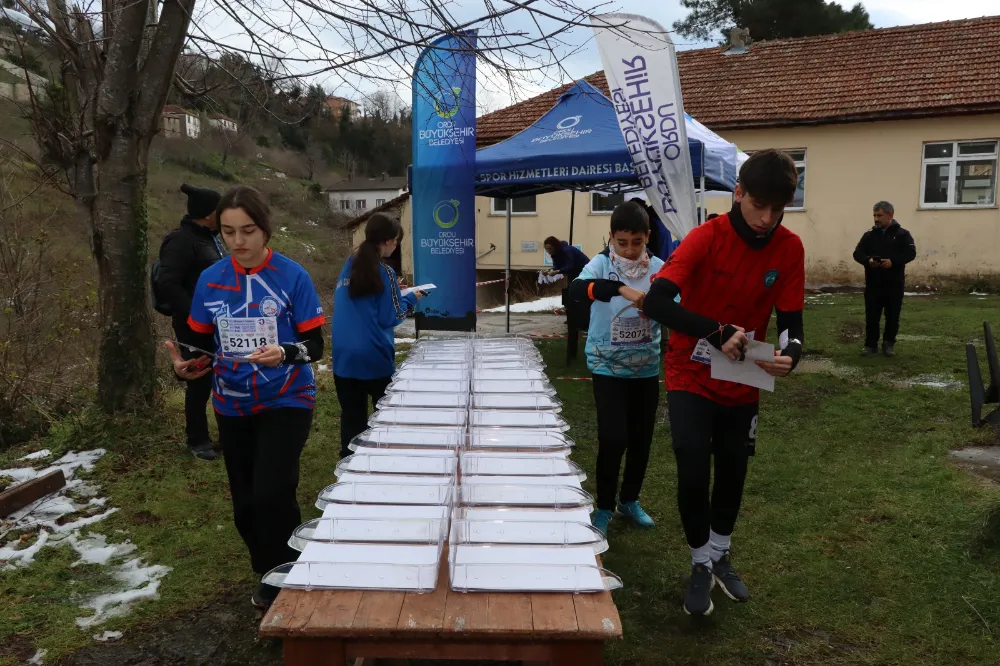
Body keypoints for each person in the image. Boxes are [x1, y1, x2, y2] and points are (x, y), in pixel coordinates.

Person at [641, 149, 805, 617]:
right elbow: (656, 302)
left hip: (742, 376)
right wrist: (715, 331)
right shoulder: (704, 238)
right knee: (693, 465)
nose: (766, 219)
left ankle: (720, 554)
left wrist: (792, 353)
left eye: (777, 210)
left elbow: (791, 324)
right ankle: (699, 563)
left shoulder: (789, 248)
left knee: (733, 470)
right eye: (758, 206)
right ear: (738, 193)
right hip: (690, 370)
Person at [165, 186, 325, 611]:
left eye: (248, 230)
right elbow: (202, 345)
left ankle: (285, 576)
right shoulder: (210, 280)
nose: (239, 241)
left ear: (265, 229)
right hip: (232, 403)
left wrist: (285, 352)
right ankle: (269, 568)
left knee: (274, 490)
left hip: (287, 396)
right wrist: (186, 365)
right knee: (247, 501)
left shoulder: (293, 276)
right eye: (229, 231)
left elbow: (315, 346)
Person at [568, 201, 664, 537]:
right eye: (622, 243)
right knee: (613, 437)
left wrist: (657, 309)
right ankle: (605, 507)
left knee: (641, 439)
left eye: (637, 242)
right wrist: (619, 288)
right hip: (607, 367)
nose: (629, 250)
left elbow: (676, 306)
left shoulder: (660, 269)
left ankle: (629, 500)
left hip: (645, 368)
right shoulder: (601, 264)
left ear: (647, 236)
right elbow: (577, 291)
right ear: (611, 237)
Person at [332, 213, 422, 458]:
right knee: (384, 414)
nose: (396, 246)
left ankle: (350, 461)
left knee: (352, 415)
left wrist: (394, 295)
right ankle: (383, 459)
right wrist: (412, 299)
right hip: (374, 355)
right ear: (388, 240)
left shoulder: (350, 264)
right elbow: (390, 317)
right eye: (396, 241)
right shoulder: (385, 271)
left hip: (343, 357)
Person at [156, 183, 225, 460]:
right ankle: (198, 440)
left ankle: (227, 435)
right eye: (219, 210)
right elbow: (168, 282)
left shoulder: (209, 239)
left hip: (218, 324)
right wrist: (196, 315)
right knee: (199, 380)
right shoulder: (181, 241)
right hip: (192, 327)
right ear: (208, 213)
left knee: (223, 377)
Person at [852, 201, 917, 357]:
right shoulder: (869, 235)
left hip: (894, 284)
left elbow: (911, 254)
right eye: (874, 215)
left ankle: (888, 344)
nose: (876, 219)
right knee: (872, 316)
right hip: (873, 284)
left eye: (879, 215)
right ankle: (870, 345)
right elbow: (857, 253)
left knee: (892, 316)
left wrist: (893, 262)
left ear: (890, 215)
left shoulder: (902, 235)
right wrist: (868, 261)